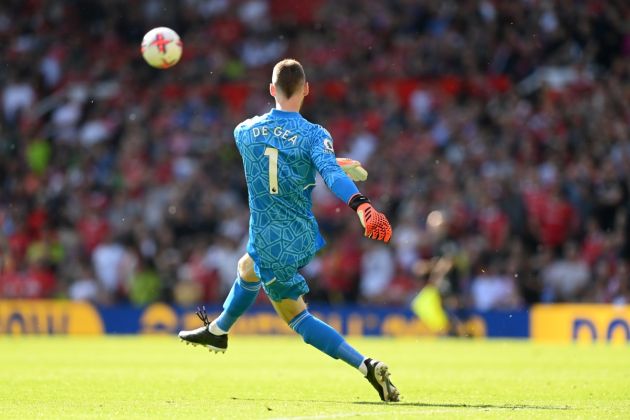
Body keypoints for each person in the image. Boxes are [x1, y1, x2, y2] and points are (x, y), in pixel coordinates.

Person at [178, 58, 399, 402]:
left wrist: (316, 165)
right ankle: (219, 330)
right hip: (297, 231)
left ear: (271, 90)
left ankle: (366, 365)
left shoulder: (244, 131)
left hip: (270, 236)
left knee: (297, 318)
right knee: (245, 268)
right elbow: (329, 174)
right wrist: (362, 205)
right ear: (307, 89)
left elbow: (274, 160)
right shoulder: (314, 134)